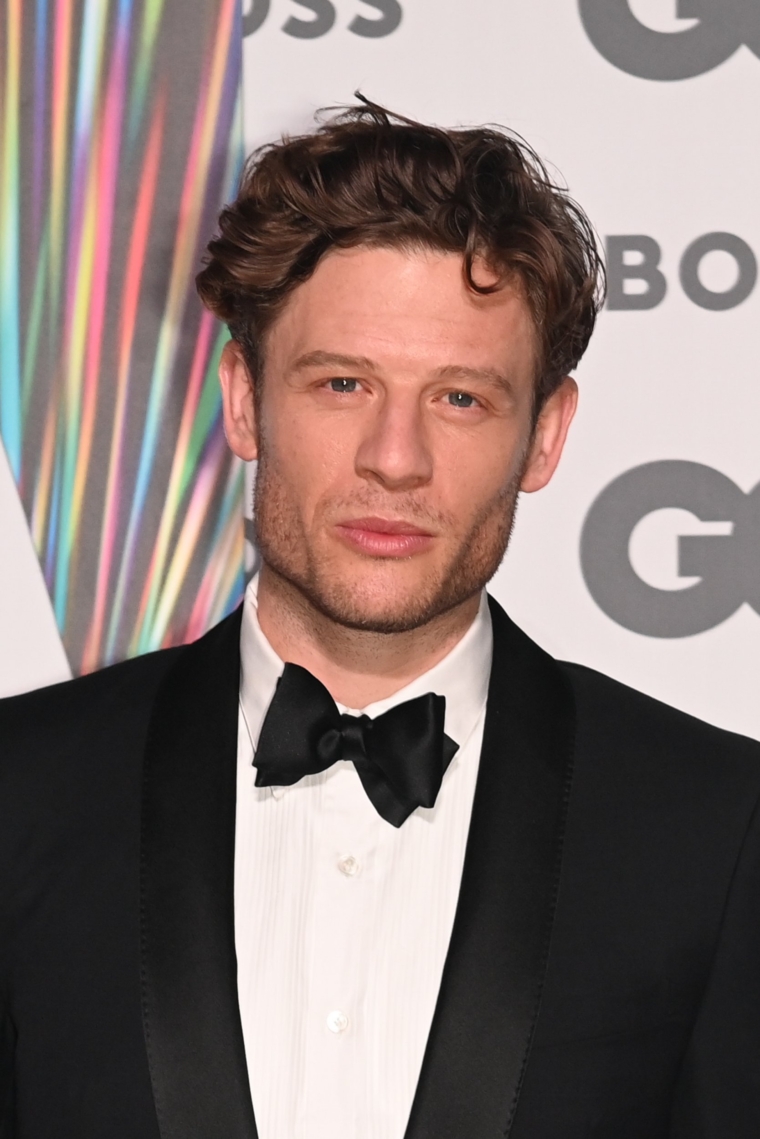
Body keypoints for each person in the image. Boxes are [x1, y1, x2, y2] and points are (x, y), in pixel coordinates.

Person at [1, 100, 759, 1139]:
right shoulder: (21, 791)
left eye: (459, 398)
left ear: (544, 435)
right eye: (343, 382)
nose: (393, 457)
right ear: (243, 398)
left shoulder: (715, 826)